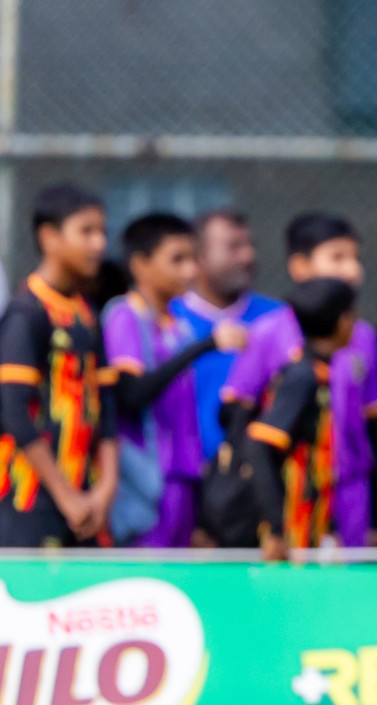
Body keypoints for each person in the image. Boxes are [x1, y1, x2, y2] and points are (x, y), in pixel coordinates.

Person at [222, 212, 377, 546]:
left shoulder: (363, 336)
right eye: (338, 257)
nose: (353, 269)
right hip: (292, 490)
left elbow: (374, 426)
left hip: (350, 488)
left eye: (355, 258)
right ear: (300, 266)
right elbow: (236, 415)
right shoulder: (268, 333)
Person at [104, 214, 245, 547]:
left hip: (185, 477)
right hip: (146, 483)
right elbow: (132, 393)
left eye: (193, 259)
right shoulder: (125, 315)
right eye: (177, 259)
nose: (190, 270)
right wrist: (207, 346)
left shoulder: (176, 324)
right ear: (139, 265)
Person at [0, 183, 118, 547]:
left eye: (102, 232)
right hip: (30, 500)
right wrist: (65, 495)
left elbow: (106, 409)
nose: (99, 243)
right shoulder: (27, 312)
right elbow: (14, 411)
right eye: (86, 231)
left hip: (86, 503)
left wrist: (106, 487)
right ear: (49, 237)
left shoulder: (87, 314)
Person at [247, 278, 358, 561]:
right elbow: (260, 446)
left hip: (311, 526)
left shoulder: (320, 372)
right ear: (343, 322)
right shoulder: (303, 376)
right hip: (291, 531)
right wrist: (276, 528)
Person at [170, 210, 282, 461]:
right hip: (183, 479)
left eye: (249, 245)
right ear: (197, 257)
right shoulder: (167, 320)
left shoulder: (278, 320)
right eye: (233, 247)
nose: (247, 256)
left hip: (257, 478)